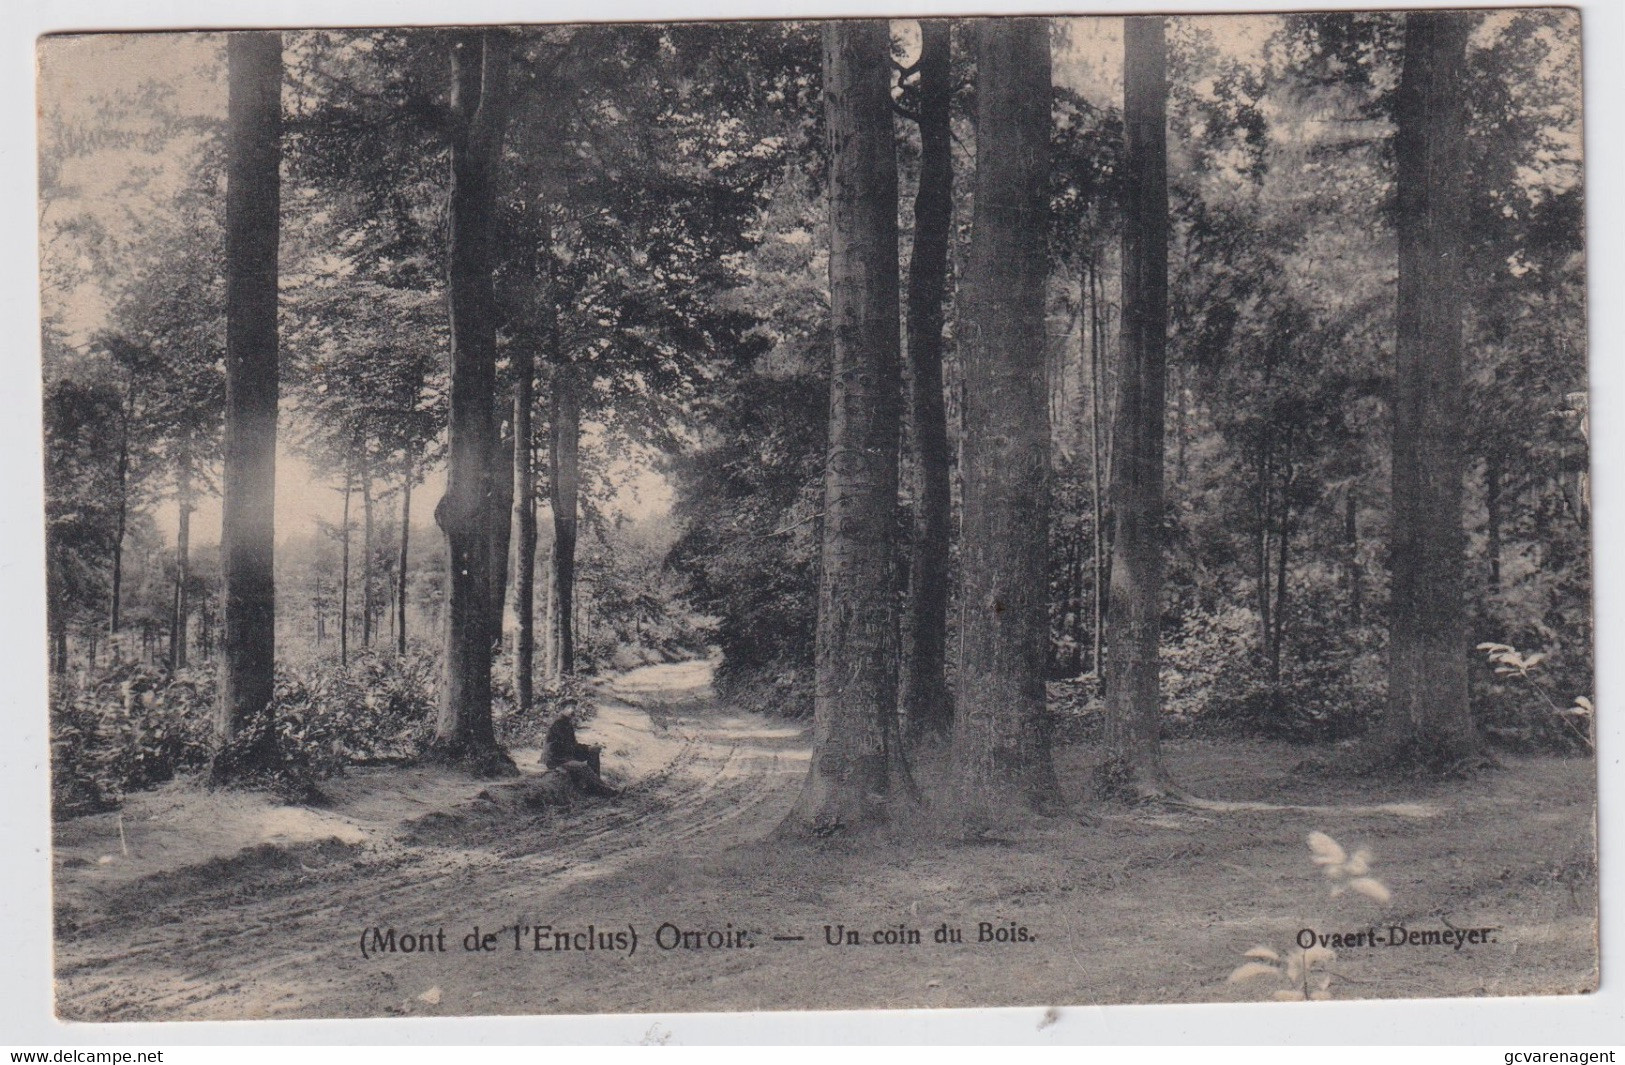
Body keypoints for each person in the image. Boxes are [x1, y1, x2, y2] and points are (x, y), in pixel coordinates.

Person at [543, 701, 618, 797]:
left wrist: (589, 748)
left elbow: (572, 745)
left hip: (565, 755)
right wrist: (586, 748)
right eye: (570, 707)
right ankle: (604, 789)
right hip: (556, 759)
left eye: (574, 707)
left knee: (594, 752)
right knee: (583, 766)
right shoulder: (558, 723)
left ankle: (593, 786)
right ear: (563, 709)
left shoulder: (566, 722)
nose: (573, 710)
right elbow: (567, 747)